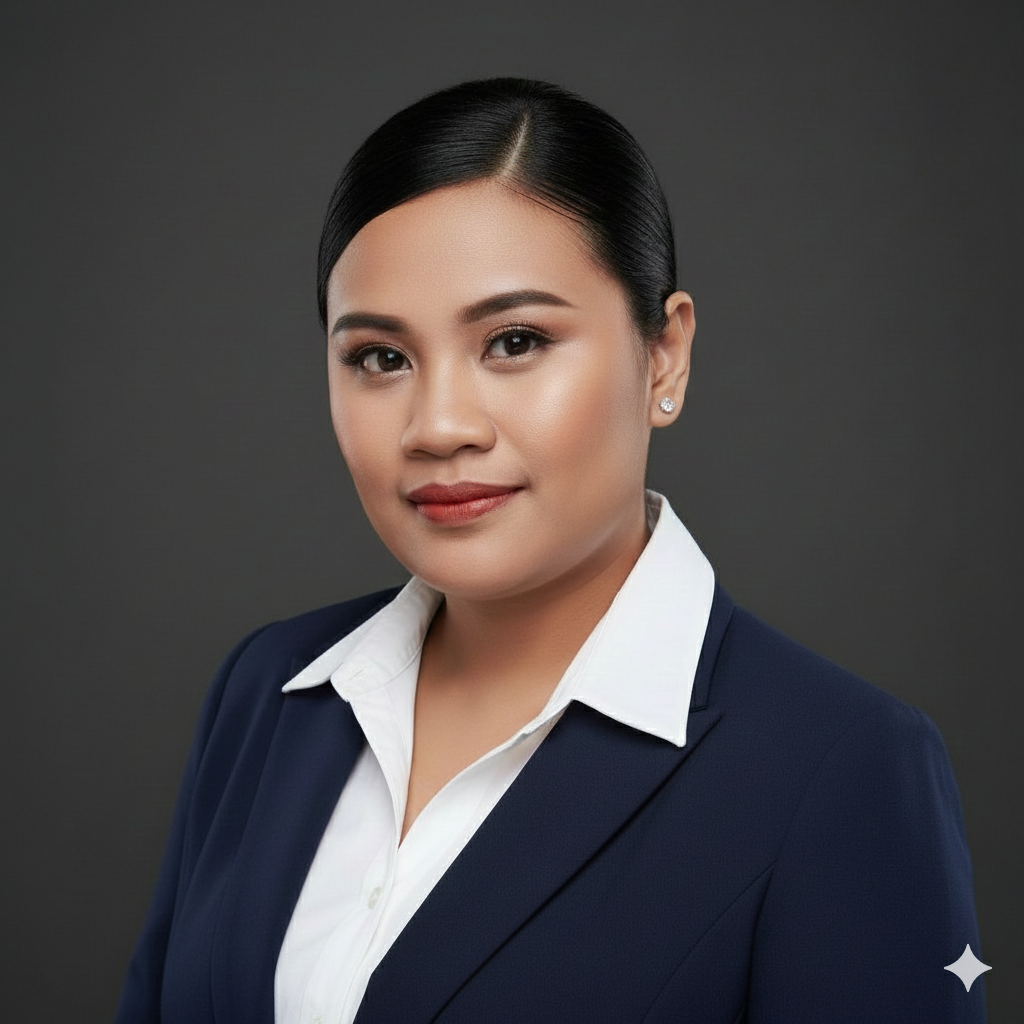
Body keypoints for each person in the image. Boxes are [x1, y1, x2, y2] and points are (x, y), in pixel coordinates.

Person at [115, 78, 985, 1023]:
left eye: (516, 341)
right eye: (380, 358)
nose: (439, 425)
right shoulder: (268, 690)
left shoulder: (840, 768)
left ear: (665, 355)